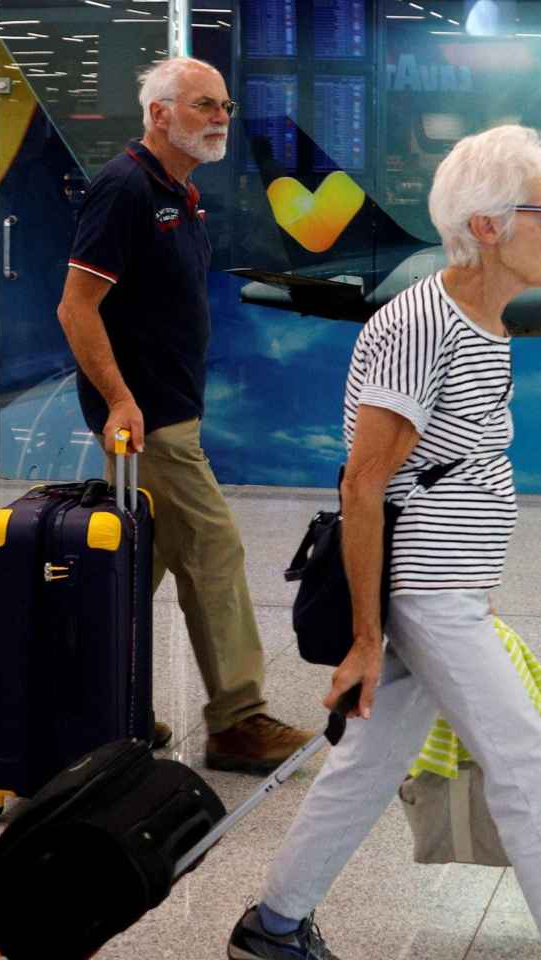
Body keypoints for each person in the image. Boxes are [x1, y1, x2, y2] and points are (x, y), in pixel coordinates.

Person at [226, 124, 541, 960]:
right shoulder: (420, 325)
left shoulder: (484, 321)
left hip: (448, 588)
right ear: (487, 226)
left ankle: (275, 925)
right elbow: (364, 483)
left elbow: (448, 467)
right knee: (533, 772)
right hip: (424, 594)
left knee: (370, 764)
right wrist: (369, 638)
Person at [56, 57, 316, 773]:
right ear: (159, 114)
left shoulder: (179, 193)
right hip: (146, 421)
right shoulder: (124, 190)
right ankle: (237, 721)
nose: (221, 117)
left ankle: (93, 704)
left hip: (169, 411)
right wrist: (117, 399)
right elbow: (77, 308)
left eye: (225, 105)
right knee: (216, 545)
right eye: (205, 105)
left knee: (144, 567)